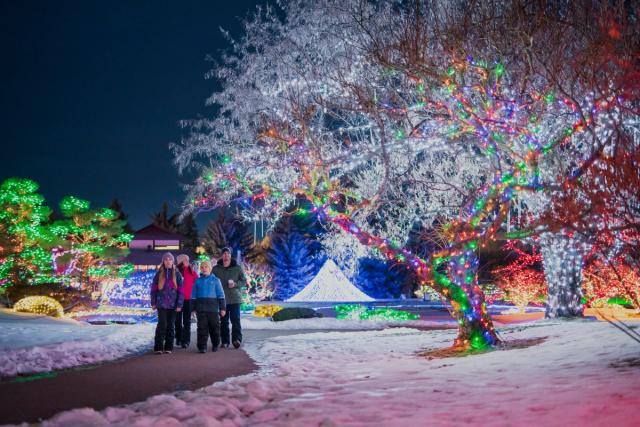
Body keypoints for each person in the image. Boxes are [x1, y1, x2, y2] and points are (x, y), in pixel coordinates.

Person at [212, 247, 246, 349]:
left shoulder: (237, 267)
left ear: (230, 255)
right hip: (222, 299)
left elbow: (243, 281)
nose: (226, 255)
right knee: (223, 321)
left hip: (235, 299)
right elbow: (211, 282)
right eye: (224, 253)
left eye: (228, 253)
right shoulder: (216, 269)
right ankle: (225, 341)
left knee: (235, 320)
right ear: (222, 255)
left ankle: (237, 340)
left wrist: (235, 284)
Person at [150, 253, 184, 354]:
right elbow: (154, 289)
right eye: (166, 260)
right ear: (163, 262)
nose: (168, 261)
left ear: (173, 261)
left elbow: (181, 291)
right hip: (161, 304)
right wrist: (153, 302)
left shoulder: (177, 274)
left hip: (173, 305)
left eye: (170, 260)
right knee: (162, 324)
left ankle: (168, 346)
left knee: (170, 325)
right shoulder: (159, 273)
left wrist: (179, 304)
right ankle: (158, 347)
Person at [192, 259, 226, 353]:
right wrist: (193, 308)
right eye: (202, 267)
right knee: (202, 328)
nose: (204, 269)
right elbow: (194, 296)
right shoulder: (197, 281)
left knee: (214, 328)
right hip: (201, 308)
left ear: (210, 268)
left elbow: (221, 295)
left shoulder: (216, 280)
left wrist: (222, 308)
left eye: (206, 267)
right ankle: (202, 346)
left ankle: (215, 344)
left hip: (213, 309)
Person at [175, 254, 198, 348]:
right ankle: (179, 339)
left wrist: (196, 301)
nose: (186, 261)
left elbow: (197, 284)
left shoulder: (192, 272)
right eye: (184, 260)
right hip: (178, 300)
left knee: (187, 321)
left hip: (189, 300)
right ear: (180, 261)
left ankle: (186, 341)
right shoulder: (175, 271)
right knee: (177, 321)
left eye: (187, 259)